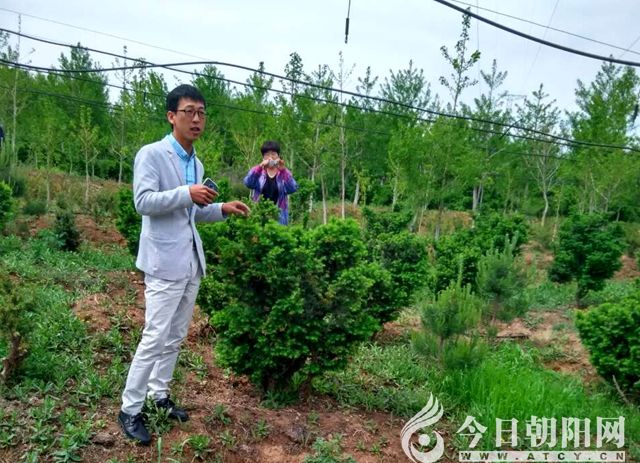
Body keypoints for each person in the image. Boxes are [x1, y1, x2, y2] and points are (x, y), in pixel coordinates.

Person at [118, 84, 250, 445]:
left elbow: (191, 213)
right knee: (154, 336)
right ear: (171, 116)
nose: (196, 119)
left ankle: (158, 395)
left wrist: (221, 208)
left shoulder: (196, 163)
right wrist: (186, 193)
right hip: (163, 262)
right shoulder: (152, 155)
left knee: (175, 336)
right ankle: (130, 409)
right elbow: (143, 202)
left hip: (190, 261)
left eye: (202, 113)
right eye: (189, 111)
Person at [243, 140, 298, 225]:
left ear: (278, 156)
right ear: (263, 157)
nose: (270, 157)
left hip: (279, 217)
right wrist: (260, 167)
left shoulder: (283, 173)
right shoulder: (259, 172)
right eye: (267, 155)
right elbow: (248, 183)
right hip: (259, 214)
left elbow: (293, 188)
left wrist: (283, 170)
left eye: (273, 154)